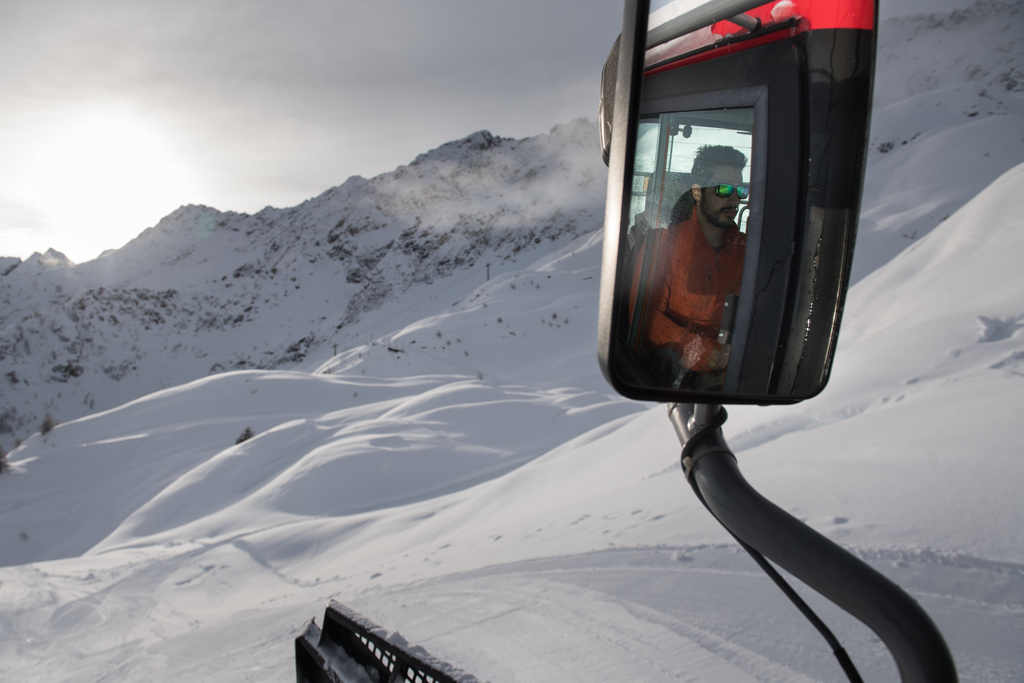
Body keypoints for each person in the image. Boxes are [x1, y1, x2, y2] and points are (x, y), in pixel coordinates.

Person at [627, 144, 748, 390]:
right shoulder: (662, 245)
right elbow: (645, 322)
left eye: (741, 190)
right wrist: (705, 352)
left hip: (738, 374)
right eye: (724, 189)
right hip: (680, 377)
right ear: (697, 192)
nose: (734, 199)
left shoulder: (749, 250)